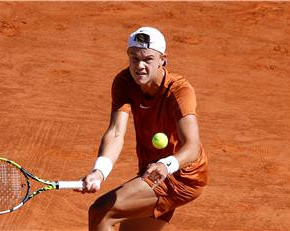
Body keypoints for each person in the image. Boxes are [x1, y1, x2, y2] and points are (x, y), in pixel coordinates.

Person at [76, 26, 208, 231]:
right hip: (151, 171)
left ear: (163, 59)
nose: (140, 66)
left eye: (147, 59)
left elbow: (192, 147)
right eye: (134, 58)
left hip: (182, 175)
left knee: (101, 212)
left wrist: (166, 165)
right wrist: (99, 171)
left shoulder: (180, 91)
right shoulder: (124, 82)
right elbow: (116, 132)